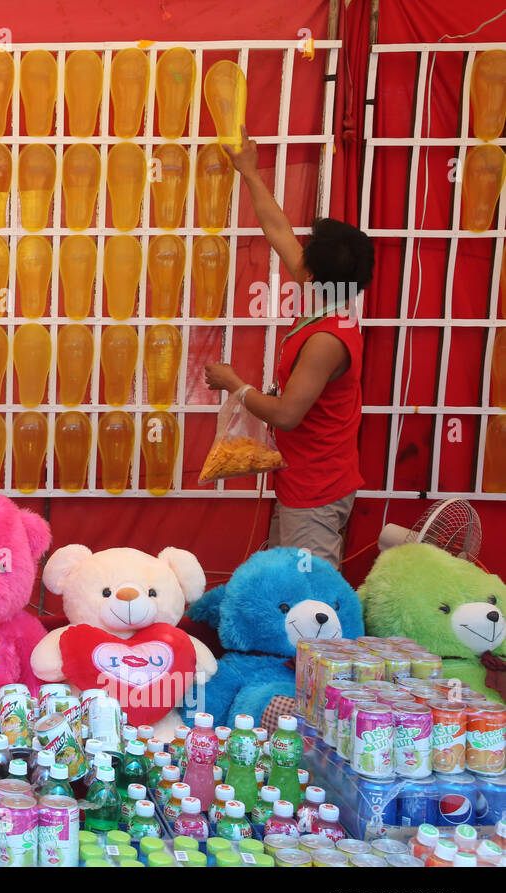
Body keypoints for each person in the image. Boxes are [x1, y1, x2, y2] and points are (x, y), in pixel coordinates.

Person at [205, 126, 374, 569]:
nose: (300, 257)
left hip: (317, 486)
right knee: (286, 584)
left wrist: (234, 385)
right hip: (304, 478)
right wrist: (249, 170)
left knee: (308, 596)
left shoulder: (325, 340)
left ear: (316, 275)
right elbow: (276, 228)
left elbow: (287, 415)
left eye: (308, 255)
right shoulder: (329, 294)